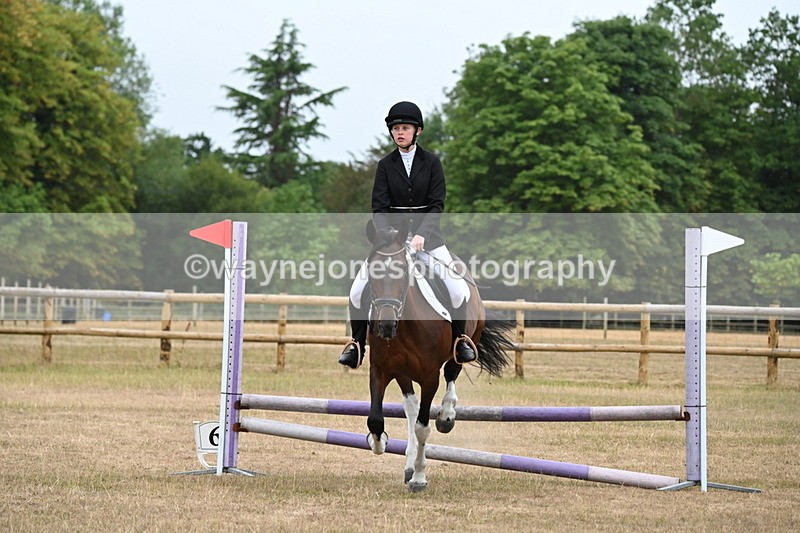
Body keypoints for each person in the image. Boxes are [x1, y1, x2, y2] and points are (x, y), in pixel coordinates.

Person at [337, 101, 476, 369]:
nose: (400, 133)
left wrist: (422, 234)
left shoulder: (432, 163)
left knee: (458, 290)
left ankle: (459, 340)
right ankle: (357, 345)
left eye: (405, 128)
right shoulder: (385, 165)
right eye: (396, 129)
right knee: (356, 291)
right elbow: (379, 208)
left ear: (417, 131)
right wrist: (390, 235)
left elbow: (437, 204)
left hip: (430, 240)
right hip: (392, 242)